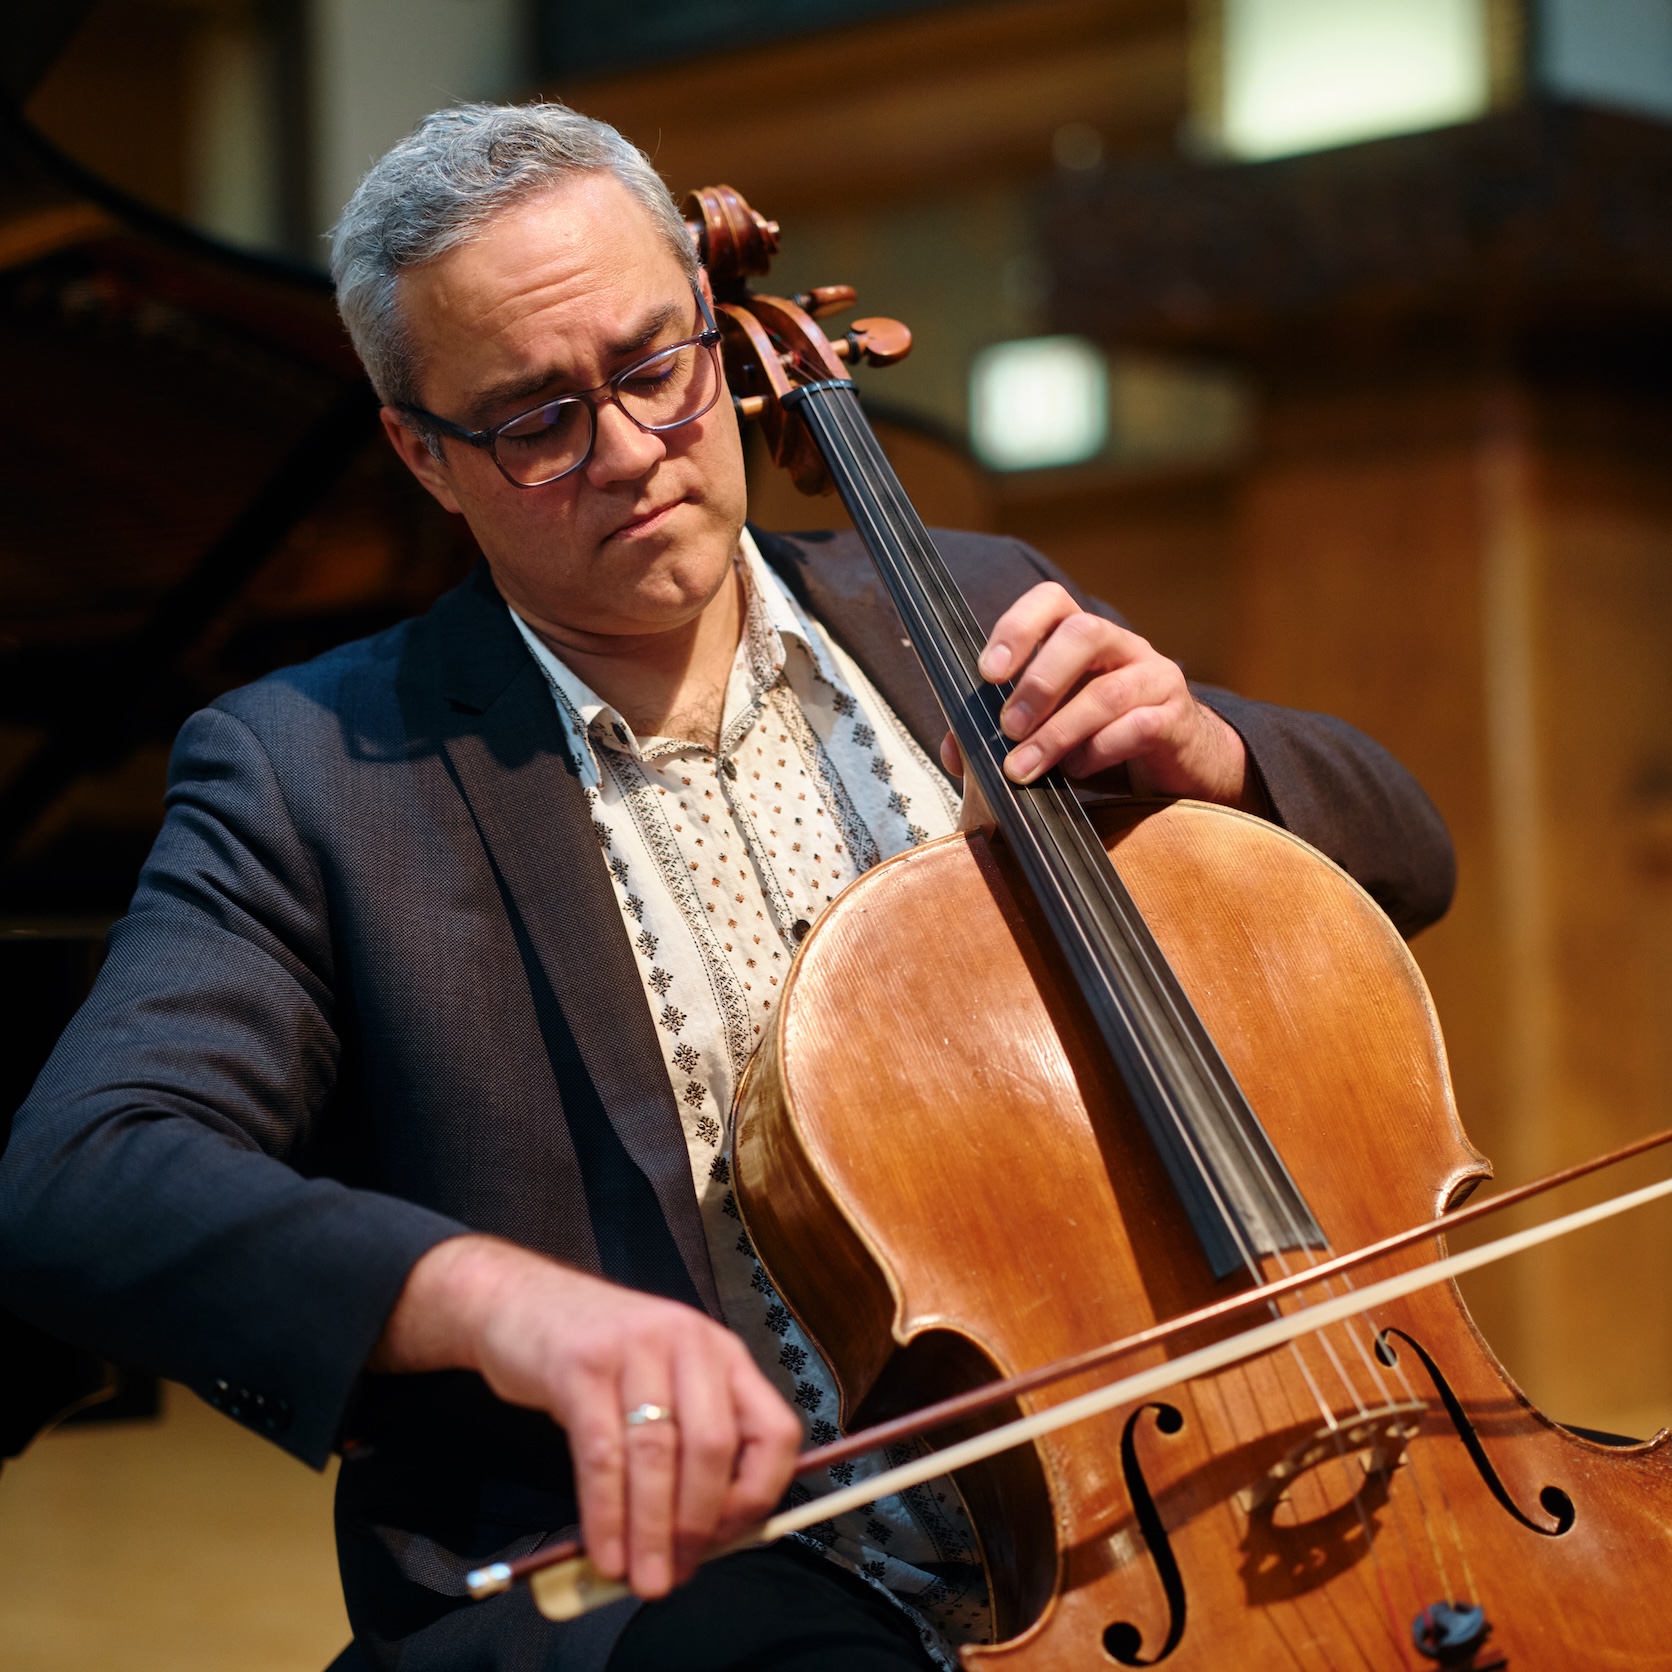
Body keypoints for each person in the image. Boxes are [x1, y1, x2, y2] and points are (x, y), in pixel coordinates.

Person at [0, 103, 1455, 1672]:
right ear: (423, 455)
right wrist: (504, 1307)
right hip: (707, 1593)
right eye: (538, 421)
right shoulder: (318, 774)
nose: (631, 450)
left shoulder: (972, 612)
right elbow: (86, 1171)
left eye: (655, 366)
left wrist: (1215, 754)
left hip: (1187, 1491)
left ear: (719, 329)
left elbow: (1406, 860)